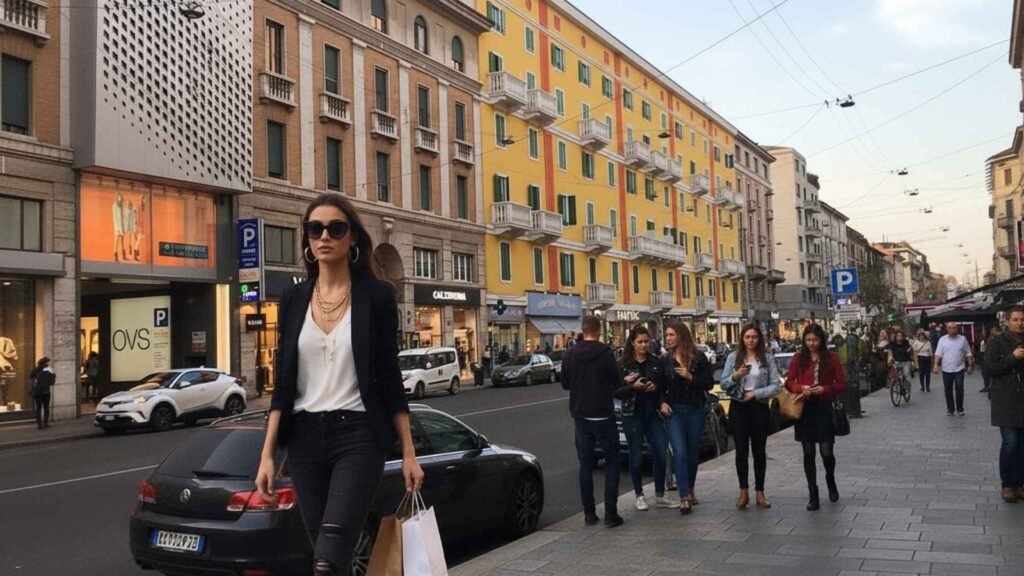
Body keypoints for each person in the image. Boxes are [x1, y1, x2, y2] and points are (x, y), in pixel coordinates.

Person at [255, 193, 425, 576]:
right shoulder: (294, 297)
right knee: (331, 555)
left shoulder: (378, 296)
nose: (324, 236)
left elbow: (390, 378)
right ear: (307, 240)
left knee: (327, 559)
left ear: (352, 238)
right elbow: (283, 384)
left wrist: (409, 452)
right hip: (304, 440)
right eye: (315, 229)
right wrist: (268, 454)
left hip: (359, 435)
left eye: (336, 227)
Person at [561, 315, 623, 527]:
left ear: (583, 330)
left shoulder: (570, 354)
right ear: (598, 331)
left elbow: (565, 384)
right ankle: (611, 513)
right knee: (612, 461)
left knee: (585, 464)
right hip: (604, 414)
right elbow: (616, 382)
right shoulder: (606, 354)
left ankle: (589, 513)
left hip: (581, 415)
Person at [785, 324, 847, 511]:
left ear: (821, 340)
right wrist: (800, 388)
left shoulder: (832, 358)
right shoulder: (798, 358)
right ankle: (813, 492)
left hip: (824, 406)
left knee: (826, 451)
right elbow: (789, 382)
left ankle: (830, 478)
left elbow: (842, 383)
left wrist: (826, 388)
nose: (811, 343)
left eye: (815, 340)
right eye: (808, 340)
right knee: (808, 451)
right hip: (805, 407)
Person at [720, 324, 781, 510]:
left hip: (759, 406)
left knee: (759, 451)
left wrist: (757, 393)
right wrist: (736, 376)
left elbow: (776, 386)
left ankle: (760, 492)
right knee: (741, 451)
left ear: (759, 339)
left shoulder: (767, 358)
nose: (751, 340)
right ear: (742, 339)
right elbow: (723, 384)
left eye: (754, 337)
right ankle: (743, 491)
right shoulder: (733, 357)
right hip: (739, 406)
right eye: (747, 337)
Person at [660, 322, 714, 515]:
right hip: (674, 412)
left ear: (681, 336)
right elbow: (660, 387)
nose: (668, 338)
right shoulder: (665, 360)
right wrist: (662, 402)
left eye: (672, 335)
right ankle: (683, 496)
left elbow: (708, 383)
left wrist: (690, 377)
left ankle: (690, 489)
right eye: (667, 335)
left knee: (692, 454)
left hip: (695, 410)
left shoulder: (698, 358)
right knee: (680, 452)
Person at [617, 325, 671, 512]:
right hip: (632, 414)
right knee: (636, 455)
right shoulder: (623, 364)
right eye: (640, 342)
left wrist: (657, 392)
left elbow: (663, 387)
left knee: (660, 452)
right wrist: (633, 387)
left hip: (652, 413)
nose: (643, 345)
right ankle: (639, 495)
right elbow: (616, 391)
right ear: (632, 343)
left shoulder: (655, 362)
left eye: (646, 342)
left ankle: (659, 494)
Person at [984, 307, 1024, 503]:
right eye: (1015, 319)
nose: (1019, 323)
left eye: (1022, 320)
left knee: (1022, 446)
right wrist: (1012, 358)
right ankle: (1007, 485)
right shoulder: (997, 342)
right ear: (1008, 321)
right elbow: (990, 369)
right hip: (1005, 402)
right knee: (1010, 443)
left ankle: (1019, 484)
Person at [933, 322, 974, 416]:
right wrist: (935, 365)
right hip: (946, 369)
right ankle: (950, 409)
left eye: (954, 328)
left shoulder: (962, 339)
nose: (952, 330)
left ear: (957, 328)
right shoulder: (942, 340)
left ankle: (960, 408)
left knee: (959, 388)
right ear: (947, 329)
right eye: (950, 328)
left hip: (959, 368)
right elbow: (938, 353)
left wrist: (970, 365)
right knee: (948, 389)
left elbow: (968, 353)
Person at [29, 357, 55, 429]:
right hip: (46, 391)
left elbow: (31, 376)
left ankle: (39, 424)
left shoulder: (36, 369)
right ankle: (45, 422)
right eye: (48, 362)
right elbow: (52, 382)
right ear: (46, 363)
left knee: (38, 408)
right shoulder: (49, 370)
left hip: (38, 391)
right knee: (46, 407)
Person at [980, 326, 1001, 393]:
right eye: (993, 330)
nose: (994, 332)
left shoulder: (999, 340)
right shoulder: (989, 339)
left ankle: (990, 386)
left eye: (995, 330)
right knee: (985, 372)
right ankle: (987, 386)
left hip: (995, 360)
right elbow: (984, 350)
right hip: (988, 359)